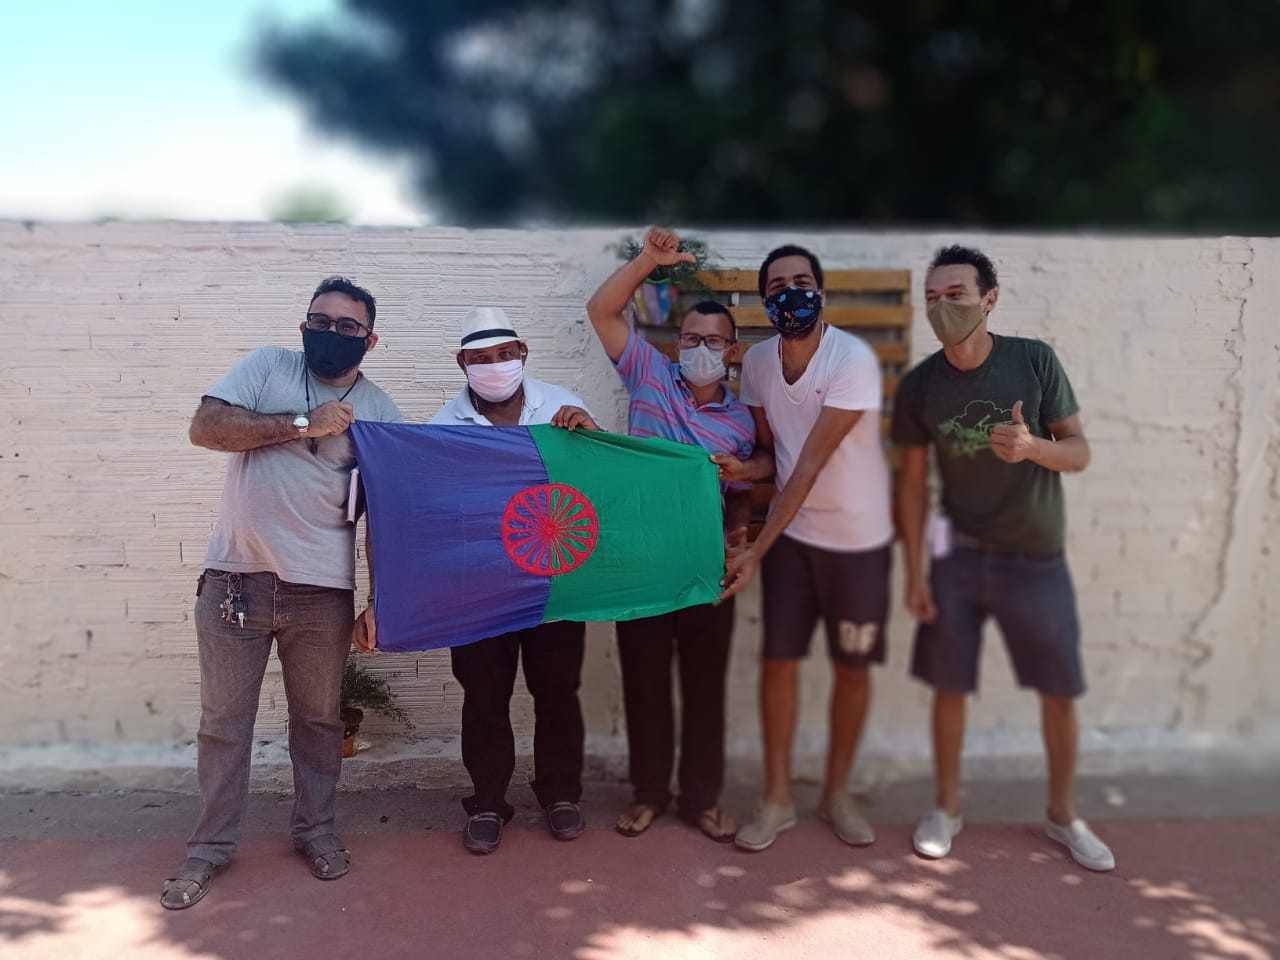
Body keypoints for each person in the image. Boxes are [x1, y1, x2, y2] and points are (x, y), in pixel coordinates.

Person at [161, 276, 402, 910]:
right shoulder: (269, 367)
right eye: (320, 321)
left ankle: (315, 831)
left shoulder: (381, 411)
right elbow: (206, 427)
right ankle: (209, 848)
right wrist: (302, 422)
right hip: (234, 582)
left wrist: (379, 600)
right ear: (303, 325)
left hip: (322, 594)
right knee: (223, 725)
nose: (331, 333)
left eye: (347, 327)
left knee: (319, 723)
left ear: (370, 340)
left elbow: (386, 515)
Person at [893, 245, 1115, 871]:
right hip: (956, 558)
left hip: (1035, 558)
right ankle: (946, 807)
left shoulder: (1034, 361)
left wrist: (1033, 447)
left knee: (1059, 690)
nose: (942, 307)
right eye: (932, 297)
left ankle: (1063, 816)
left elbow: (1079, 451)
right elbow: (912, 486)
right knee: (948, 686)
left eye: (955, 295)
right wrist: (914, 573)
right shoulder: (920, 387)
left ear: (989, 300)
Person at [358, 306, 599, 855]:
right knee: (485, 697)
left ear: (523, 353)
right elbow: (419, 511)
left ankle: (561, 794)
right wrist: (386, 596)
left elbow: (596, 484)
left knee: (558, 692)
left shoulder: (563, 406)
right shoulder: (442, 428)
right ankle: (488, 801)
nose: (495, 366)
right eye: (481, 358)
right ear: (462, 363)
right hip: (475, 590)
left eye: (504, 354)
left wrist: (592, 435)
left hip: (552, 582)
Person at [718, 246, 894, 852]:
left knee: (853, 666)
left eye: (801, 281)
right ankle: (777, 800)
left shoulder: (853, 360)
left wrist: (754, 552)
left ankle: (837, 794)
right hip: (794, 539)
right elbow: (777, 456)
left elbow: (810, 465)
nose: (790, 292)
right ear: (765, 299)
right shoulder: (758, 364)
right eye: (777, 285)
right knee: (779, 664)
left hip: (858, 543)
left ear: (821, 292)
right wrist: (743, 467)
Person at [584, 226, 756, 842]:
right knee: (645, 682)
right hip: (640, 562)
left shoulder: (741, 422)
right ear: (676, 344)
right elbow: (602, 311)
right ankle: (649, 794)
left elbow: (741, 490)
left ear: (731, 351)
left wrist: (739, 540)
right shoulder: (651, 377)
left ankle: (701, 799)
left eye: (713, 341)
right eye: (691, 338)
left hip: (705, 564)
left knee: (705, 688)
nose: (701, 348)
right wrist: (647, 262)